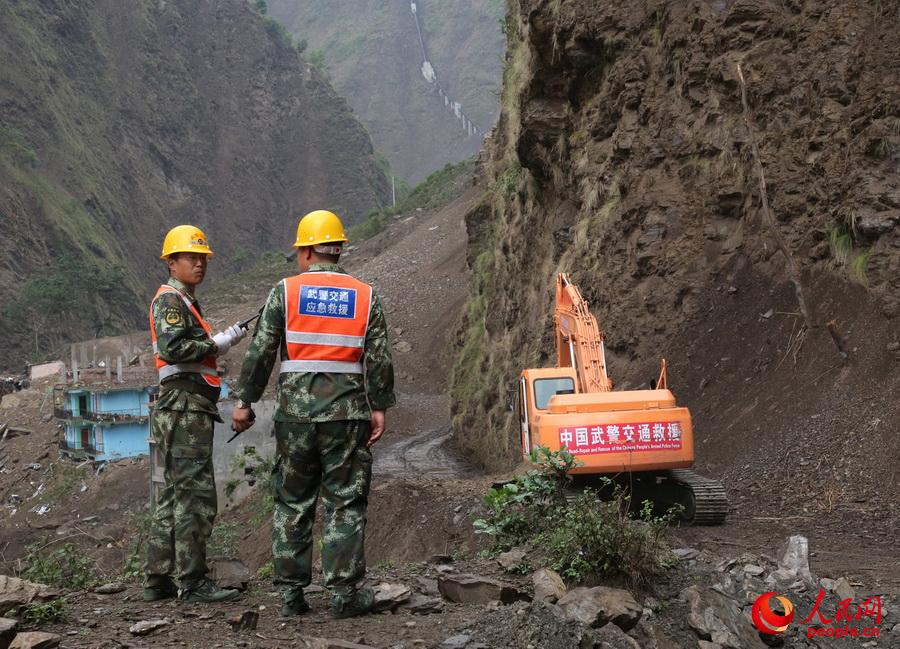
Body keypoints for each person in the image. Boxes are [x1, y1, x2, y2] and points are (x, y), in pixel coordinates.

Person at [231, 209, 395, 618]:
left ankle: (291, 594)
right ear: (338, 250)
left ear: (306, 252)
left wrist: (244, 401)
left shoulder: (284, 292)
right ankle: (342, 595)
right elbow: (379, 360)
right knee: (345, 502)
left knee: (293, 501)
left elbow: (260, 352)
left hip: (296, 419)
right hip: (348, 416)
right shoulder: (365, 295)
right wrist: (379, 408)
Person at [144, 225, 249, 603]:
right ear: (172, 263)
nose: (199, 264)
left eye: (202, 258)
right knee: (195, 496)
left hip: (183, 407)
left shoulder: (183, 302)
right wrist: (218, 342)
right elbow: (174, 347)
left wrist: (218, 340)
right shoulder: (171, 299)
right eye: (191, 257)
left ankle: (158, 580)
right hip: (185, 408)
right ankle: (192, 582)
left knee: (174, 495)